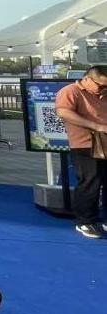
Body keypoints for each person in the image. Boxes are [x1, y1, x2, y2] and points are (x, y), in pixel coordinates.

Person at [55, 65, 107, 239]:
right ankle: (85, 221)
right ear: (87, 79)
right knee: (91, 181)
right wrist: (96, 126)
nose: (103, 89)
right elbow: (63, 112)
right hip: (85, 143)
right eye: (100, 85)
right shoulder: (71, 91)